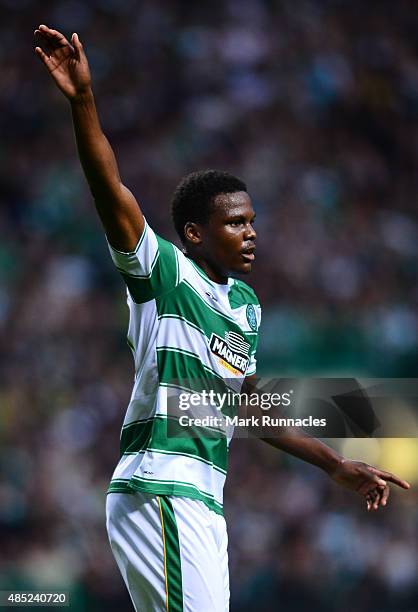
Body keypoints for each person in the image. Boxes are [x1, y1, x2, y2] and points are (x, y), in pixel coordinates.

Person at [34, 25, 410, 612]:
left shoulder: (245, 307)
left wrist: (335, 464)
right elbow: (109, 188)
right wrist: (84, 101)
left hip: (203, 501)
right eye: (235, 223)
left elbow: (248, 408)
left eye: (252, 220)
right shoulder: (163, 273)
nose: (251, 232)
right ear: (194, 234)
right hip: (162, 486)